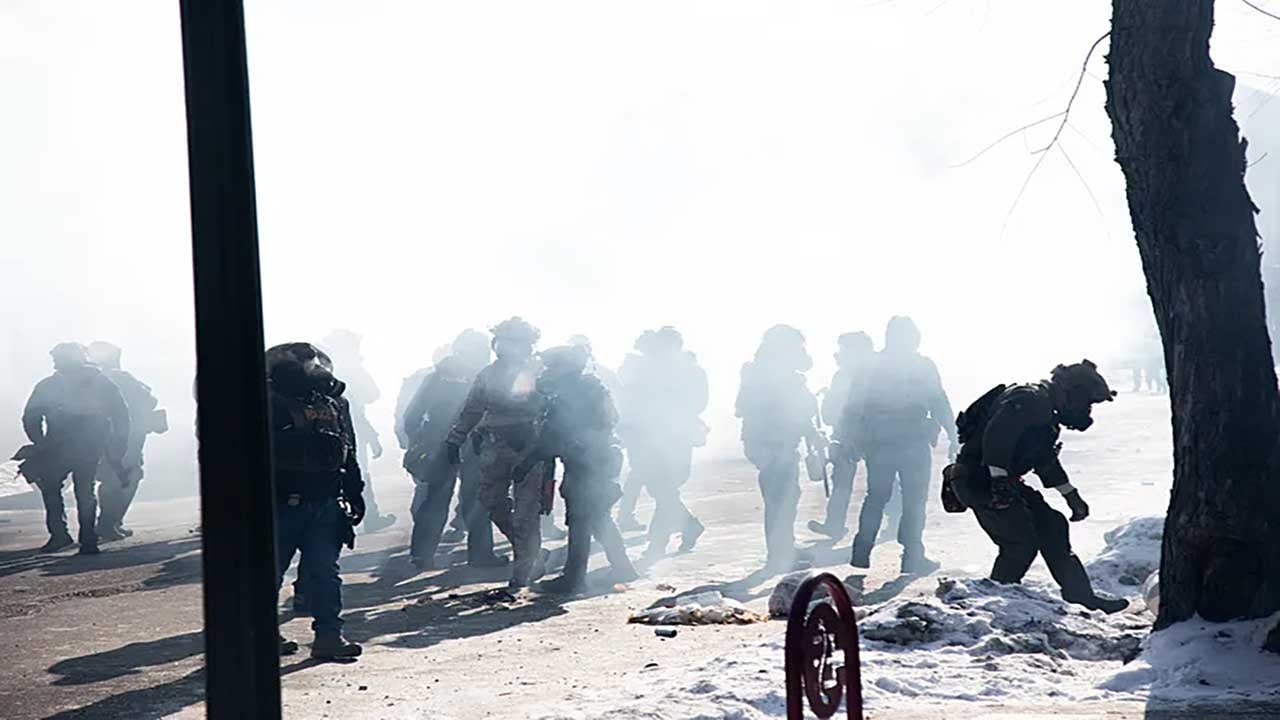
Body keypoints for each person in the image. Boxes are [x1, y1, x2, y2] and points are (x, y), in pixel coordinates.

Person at [943, 360, 1127, 613]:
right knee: (1019, 544)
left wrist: (1070, 495)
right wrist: (998, 481)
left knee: (1052, 525)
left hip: (1000, 481)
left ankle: (1083, 599)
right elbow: (997, 437)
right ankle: (994, 606)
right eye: (1086, 402)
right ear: (1070, 393)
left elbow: (1043, 459)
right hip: (978, 480)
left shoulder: (1045, 411)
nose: (1086, 410)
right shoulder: (1030, 400)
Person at [266, 342, 364, 659]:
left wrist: (354, 489)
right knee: (270, 573)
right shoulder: (267, 404)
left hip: (325, 500)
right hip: (281, 502)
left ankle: (329, 637)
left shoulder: (334, 404)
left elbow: (347, 448)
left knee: (325, 573)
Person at [846, 316, 956, 576]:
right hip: (911, 440)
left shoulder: (870, 365)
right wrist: (952, 432)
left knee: (877, 496)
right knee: (914, 500)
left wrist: (851, 439)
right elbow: (938, 400)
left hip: (880, 441)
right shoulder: (921, 365)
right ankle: (912, 556)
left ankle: (861, 551)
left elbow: (853, 406)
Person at [524, 345, 637, 593]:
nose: (548, 371)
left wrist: (530, 458)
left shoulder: (572, 392)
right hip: (598, 459)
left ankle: (574, 578)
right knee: (599, 517)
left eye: (553, 366)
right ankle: (623, 567)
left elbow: (555, 433)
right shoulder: (590, 388)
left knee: (580, 519)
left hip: (587, 463)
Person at [447, 317, 548, 589]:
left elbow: (552, 410)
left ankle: (521, 575)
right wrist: (454, 440)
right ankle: (529, 553)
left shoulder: (540, 372)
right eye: (502, 340)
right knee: (490, 500)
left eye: (514, 341)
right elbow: (472, 409)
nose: (505, 347)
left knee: (527, 513)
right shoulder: (488, 374)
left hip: (530, 448)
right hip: (494, 445)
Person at [404, 330, 506, 569]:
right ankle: (480, 555)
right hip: (472, 444)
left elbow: (413, 415)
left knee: (436, 498)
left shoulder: (438, 376)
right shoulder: (486, 376)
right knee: (475, 500)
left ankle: (422, 555)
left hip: (441, 443)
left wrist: (419, 441)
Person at [17, 343, 131, 555]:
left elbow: (31, 417)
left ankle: (65, 536)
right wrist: (117, 446)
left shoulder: (51, 385)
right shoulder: (99, 382)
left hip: (66, 446)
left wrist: (41, 443)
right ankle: (86, 539)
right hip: (84, 446)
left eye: (58, 358)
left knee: (56, 489)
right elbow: (121, 415)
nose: (56, 363)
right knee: (82, 491)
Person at [616, 327, 708, 557]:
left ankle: (660, 542)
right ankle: (685, 528)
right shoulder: (652, 370)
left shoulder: (687, 371)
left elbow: (697, 403)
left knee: (664, 490)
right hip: (651, 439)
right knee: (664, 491)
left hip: (672, 439)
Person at [735, 325, 821, 570]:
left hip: (768, 441)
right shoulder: (774, 373)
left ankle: (784, 548)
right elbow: (788, 411)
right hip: (774, 443)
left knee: (784, 496)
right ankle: (779, 556)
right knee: (780, 499)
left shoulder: (763, 369)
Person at [87, 341, 168, 542]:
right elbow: (149, 399)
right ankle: (109, 523)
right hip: (126, 437)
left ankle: (110, 523)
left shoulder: (90, 379)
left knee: (111, 479)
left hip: (104, 436)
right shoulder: (120, 377)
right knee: (127, 477)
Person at [321, 330, 395, 533]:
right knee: (355, 470)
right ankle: (366, 515)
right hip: (346, 429)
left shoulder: (326, 369)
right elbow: (371, 394)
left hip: (335, 429)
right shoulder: (348, 369)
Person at [809, 332, 875, 541]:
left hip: (855, 436)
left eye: (844, 349)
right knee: (852, 484)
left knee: (849, 484)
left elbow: (831, 413)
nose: (840, 354)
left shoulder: (849, 375)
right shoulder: (875, 373)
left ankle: (836, 525)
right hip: (862, 435)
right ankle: (835, 525)